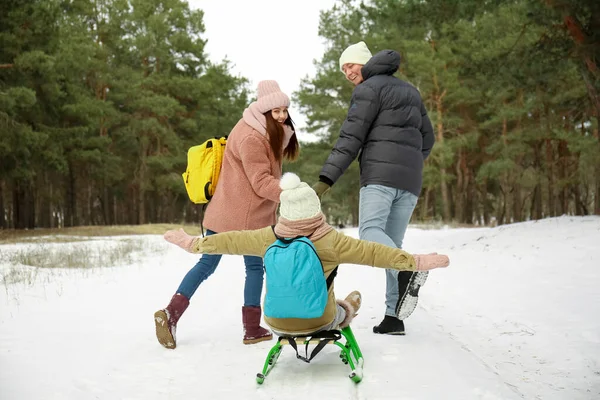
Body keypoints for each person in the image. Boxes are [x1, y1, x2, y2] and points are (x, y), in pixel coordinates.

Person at [163, 173, 449, 337]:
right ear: (315, 208)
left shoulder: (268, 236)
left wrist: (192, 244)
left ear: (284, 211)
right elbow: (376, 253)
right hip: (318, 321)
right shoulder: (331, 241)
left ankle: (343, 304)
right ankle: (347, 306)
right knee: (336, 308)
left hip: (275, 322)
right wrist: (416, 261)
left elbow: (230, 241)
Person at [154, 80, 300, 349]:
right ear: (263, 110)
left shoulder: (261, 130)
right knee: (254, 267)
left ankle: (170, 314)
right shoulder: (252, 137)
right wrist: (292, 193)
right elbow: (260, 181)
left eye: (284, 110)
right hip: (248, 217)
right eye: (276, 111)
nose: (281, 116)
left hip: (224, 213)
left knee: (207, 265)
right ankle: (252, 328)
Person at [312, 41, 436, 335]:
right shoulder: (410, 91)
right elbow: (427, 139)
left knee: (370, 233)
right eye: (343, 69)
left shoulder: (368, 90)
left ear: (365, 63)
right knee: (389, 245)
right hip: (410, 182)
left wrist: (325, 179)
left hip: (380, 178)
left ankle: (409, 268)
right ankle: (394, 317)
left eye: (351, 65)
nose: (347, 72)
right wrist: (410, 164)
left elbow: (349, 138)